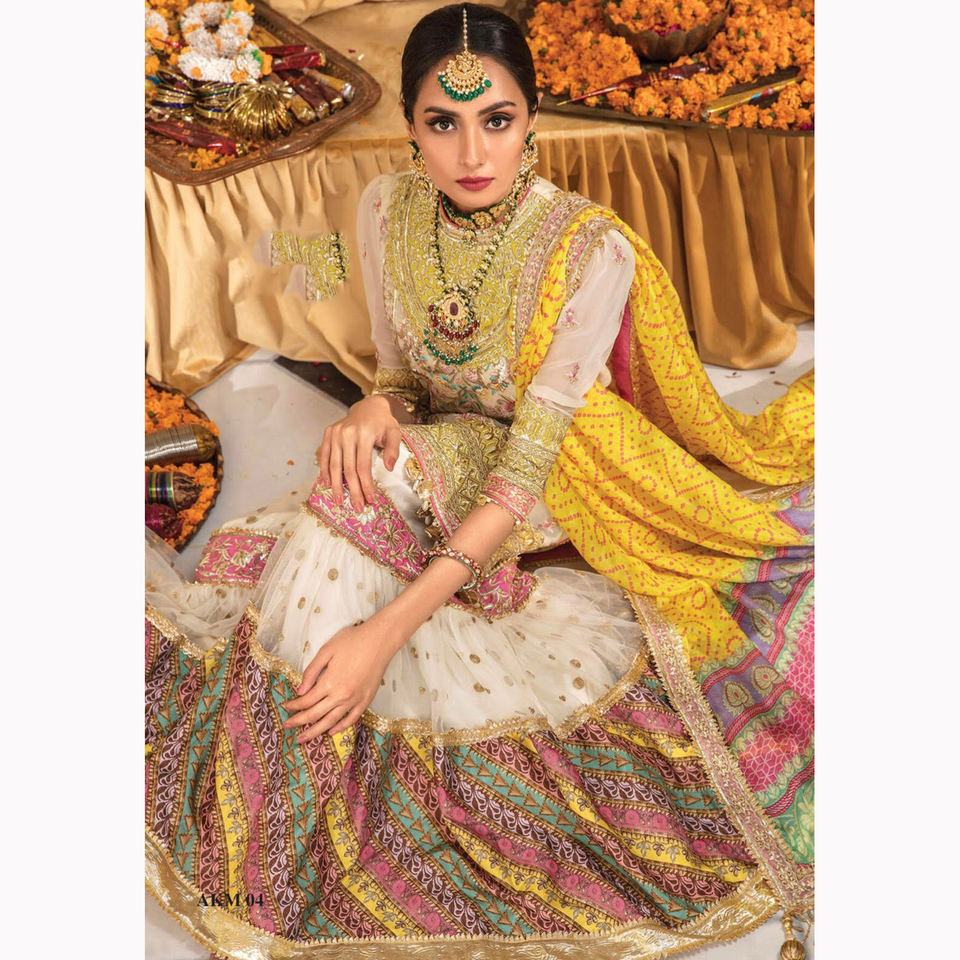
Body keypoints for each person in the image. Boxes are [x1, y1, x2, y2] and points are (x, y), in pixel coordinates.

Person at [145, 5, 814, 957]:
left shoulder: (588, 249)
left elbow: (527, 461)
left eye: (496, 119)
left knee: (353, 504)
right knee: (353, 471)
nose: (471, 152)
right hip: (445, 442)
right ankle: (282, 776)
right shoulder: (387, 209)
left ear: (531, 117)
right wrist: (374, 406)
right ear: (410, 126)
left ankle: (298, 771)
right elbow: (403, 377)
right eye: (443, 122)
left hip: (553, 469)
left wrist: (384, 633)